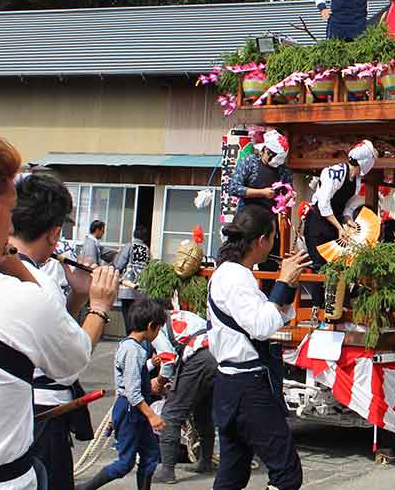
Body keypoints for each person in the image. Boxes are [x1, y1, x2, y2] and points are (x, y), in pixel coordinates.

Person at [0, 132, 117, 490]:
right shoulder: (17, 296)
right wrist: (97, 305)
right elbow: (73, 359)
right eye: (8, 212)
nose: (10, 228)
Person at [12, 171, 113, 490]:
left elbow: (46, 335)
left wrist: (78, 296)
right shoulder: (39, 283)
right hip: (40, 414)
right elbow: (69, 363)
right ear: (55, 235)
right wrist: (99, 306)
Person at [207, 207, 312, 490]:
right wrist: (282, 281)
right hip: (247, 386)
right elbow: (262, 326)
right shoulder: (235, 277)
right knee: (287, 474)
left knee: (232, 476)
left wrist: (289, 283)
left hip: (232, 385)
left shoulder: (233, 274)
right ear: (262, 240)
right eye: (274, 237)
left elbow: (274, 313)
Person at [76, 299, 166, 490]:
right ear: (151, 326)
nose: (158, 333)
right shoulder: (134, 350)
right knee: (125, 463)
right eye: (158, 329)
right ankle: (85, 488)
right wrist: (152, 416)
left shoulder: (130, 346)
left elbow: (126, 380)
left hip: (133, 410)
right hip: (131, 411)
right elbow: (132, 392)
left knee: (150, 455)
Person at [303, 141, 375, 303]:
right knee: (320, 265)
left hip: (333, 224)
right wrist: (339, 227)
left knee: (337, 266)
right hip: (317, 223)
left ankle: (336, 306)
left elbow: (347, 208)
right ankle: (319, 308)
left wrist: (349, 221)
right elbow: (323, 204)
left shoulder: (355, 180)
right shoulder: (334, 173)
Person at [151, 306, 216, 484]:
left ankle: (167, 471)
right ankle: (205, 461)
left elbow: (168, 358)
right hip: (216, 356)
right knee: (202, 412)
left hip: (198, 359)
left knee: (171, 414)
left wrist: (159, 381)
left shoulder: (156, 328)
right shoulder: (182, 315)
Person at [227, 130, 292, 216]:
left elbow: (287, 191)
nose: (277, 164)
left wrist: (288, 197)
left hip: (269, 218)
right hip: (246, 217)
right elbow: (234, 188)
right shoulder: (250, 162)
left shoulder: (283, 170)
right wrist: (262, 192)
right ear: (266, 150)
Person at [116, 225, 152, 331]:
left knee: (127, 315)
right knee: (136, 316)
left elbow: (119, 264)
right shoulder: (146, 249)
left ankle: (130, 337)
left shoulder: (130, 246)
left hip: (128, 285)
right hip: (141, 287)